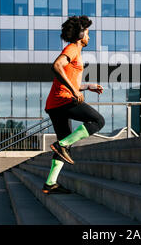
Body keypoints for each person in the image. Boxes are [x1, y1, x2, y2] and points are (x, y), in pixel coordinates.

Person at [42, 15, 105, 194]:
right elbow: (56, 66)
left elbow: (70, 81)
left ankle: (50, 183)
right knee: (98, 121)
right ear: (80, 34)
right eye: (88, 33)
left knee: (65, 144)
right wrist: (75, 92)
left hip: (54, 104)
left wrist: (86, 87)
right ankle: (61, 145)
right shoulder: (72, 49)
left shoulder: (75, 52)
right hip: (62, 100)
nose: (89, 37)